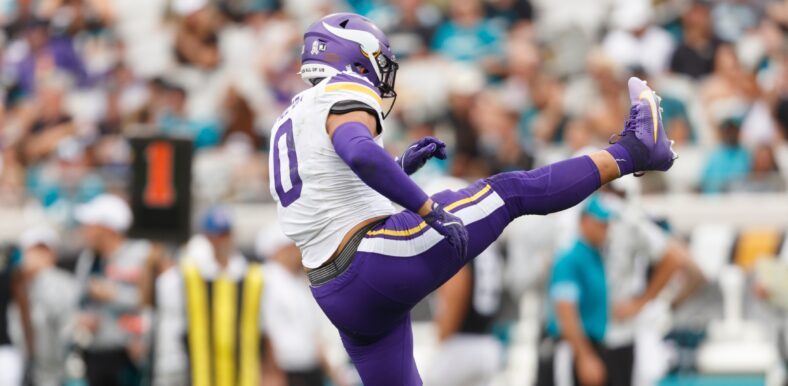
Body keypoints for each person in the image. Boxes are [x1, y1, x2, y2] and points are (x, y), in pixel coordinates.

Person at [269, 12, 676, 385]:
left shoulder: (289, 118)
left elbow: (333, 184)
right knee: (510, 192)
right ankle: (636, 150)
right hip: (372, 258)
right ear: (358, 60)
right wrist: (425, 207)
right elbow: (358, 152)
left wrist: (397, 165)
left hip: (333, 290)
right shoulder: (344, 88)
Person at [152, 207, 282, 386]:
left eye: (225, 234)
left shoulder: (252, 278)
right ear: (205, 237)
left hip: (243, 377)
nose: (221, 241)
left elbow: (266, 330)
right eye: (216, 235)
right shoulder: (187, 276)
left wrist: (271, 372)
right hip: (198, 376)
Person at [256, 225, 349, 386]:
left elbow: (311, 332)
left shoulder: (298, 281)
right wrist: (272, 372)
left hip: (308, 369)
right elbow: (266, 330)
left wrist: (333, 373)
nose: (297, 252)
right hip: (285, 372)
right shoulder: (266, 278)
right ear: (278, 250)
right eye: (292, 247)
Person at [73, 194, 150, 386]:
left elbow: (148, 301)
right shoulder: (88, 259)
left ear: (107, 229)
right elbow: (78, 300)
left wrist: (114, 295)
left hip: (128, 353)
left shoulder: (141, 254)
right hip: (94, 349)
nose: (85, 230)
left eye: (91, 225)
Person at [539, 195, 615, 386]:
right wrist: (584, 356)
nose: (606, 229)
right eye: (601, 223)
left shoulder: (595, 257)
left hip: (591, 346)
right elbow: (565, 310)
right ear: (585, 221)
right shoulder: (571, 259)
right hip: (572, 349)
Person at [17, 225, 80, 386]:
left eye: (43, 250)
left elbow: (68, 326)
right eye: (34, 250)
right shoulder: (15, 282)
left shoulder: (65, 283)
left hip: (54, 369)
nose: (38, 256)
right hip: (18, 364)